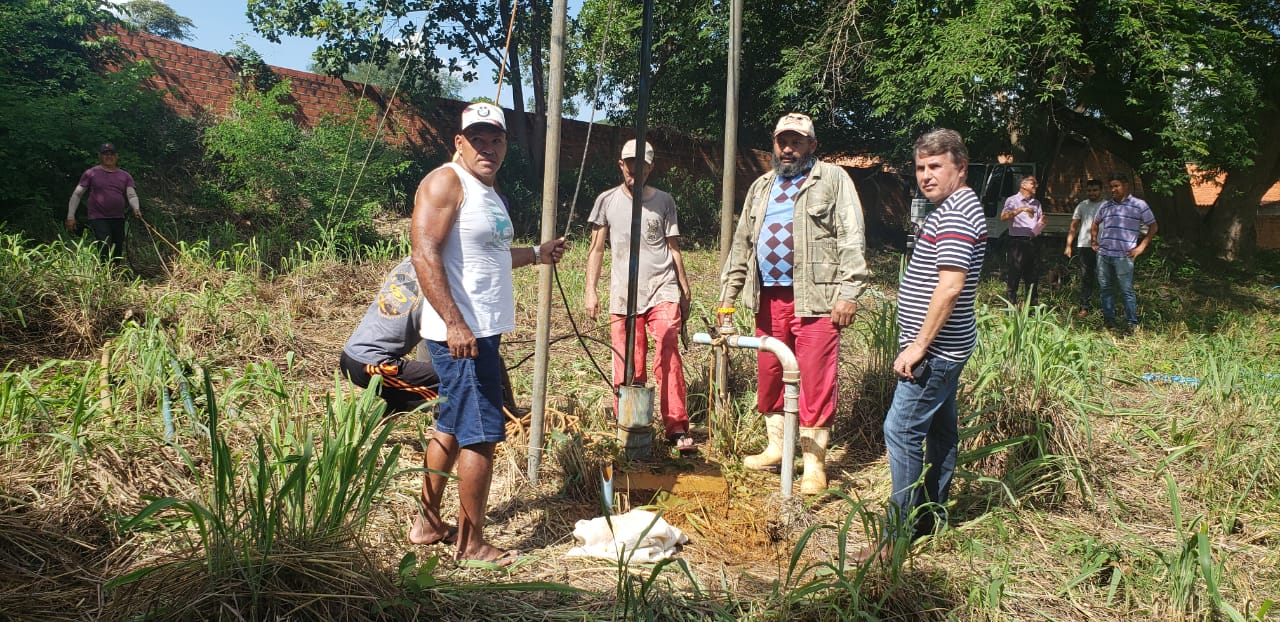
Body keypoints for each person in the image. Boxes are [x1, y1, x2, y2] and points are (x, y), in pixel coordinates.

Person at [408, 102, 568, 565]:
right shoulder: (446, 182)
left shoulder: (488, 193)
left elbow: (491, 255)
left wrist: (537, 253)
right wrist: (456, 323)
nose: (487, 147)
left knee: (452, 425)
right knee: (480, 433)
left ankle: (426, 522)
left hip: (481, 331)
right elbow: (424, 254)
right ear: (459, 142)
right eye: (477, 138)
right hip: (460, 332)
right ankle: (471, 543)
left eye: (495, 139)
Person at [717, 112, 870, 495]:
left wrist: (849, 293)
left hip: (818, 300)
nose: (787, 148)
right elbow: (742, 246)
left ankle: (814, 465)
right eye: (782, 141)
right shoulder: (761, 187)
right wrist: (727, 301)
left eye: (796, 142)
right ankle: (777, 448)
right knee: (770, 373)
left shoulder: (832, 180)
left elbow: (852, 235)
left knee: (815, 380)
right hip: (768, 298)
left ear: (811, 146)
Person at [862, 128, 987, 561]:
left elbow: (950, 287)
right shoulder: (953, 206)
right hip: (950, 346)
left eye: (936, 166)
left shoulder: (955, 214)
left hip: (935, 351)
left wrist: (918, 346)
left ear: (960, 167)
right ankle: (930, 517)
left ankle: (895, 538)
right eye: (920, 167)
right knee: (939, 430)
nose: (926, 175)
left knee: (901, 429)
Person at [584, 139, 694, 452]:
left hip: (662, 287)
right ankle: (631, 423)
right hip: (623, 295)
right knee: (628, 361)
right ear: (621, 164)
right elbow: (595, 250)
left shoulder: (664, 201)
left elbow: (674, 249)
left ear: (650, 167)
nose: (634, 169)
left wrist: (684, 289)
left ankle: (676, 425)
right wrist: (590, 290)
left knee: (668, 345)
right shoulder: (606, 201)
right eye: (629, 163)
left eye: (641, 164)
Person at [339, 256, 520, 416]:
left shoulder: (408, 265)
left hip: (354, 357)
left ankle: (398, 406)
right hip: (373, 364)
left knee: (442, 379)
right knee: (460, 378)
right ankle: (506, 418)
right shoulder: (435, 281)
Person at [1090, 173, 1158, 333]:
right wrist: (1094, 241)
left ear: (1126, 185)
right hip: (1104, 254)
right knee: (1105, 288)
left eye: (1116, 186)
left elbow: (1153, 226)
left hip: (1124, 256)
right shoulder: (1106, 206)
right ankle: (1109, 322)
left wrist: (1141, 247)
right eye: (1111, 187)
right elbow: (1095, 223)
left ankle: (1132, 324)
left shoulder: (1139, 205)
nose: (1112, 190)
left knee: (1126, 290)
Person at [66, 143, 141, 263]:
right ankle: (105, 273)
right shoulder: (91, 173)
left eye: (112, 154)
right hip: (98, 217)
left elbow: (131, 195)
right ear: (100, 156)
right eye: (105, 154)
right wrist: (70, 216)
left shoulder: (125, 176)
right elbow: (77, 194)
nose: (109, 156)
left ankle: (114, 273)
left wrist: (136, 208)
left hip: (118, 217)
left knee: (117, 246)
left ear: (117, 156)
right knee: (104, 244)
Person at [1000, 175, 1045, 306]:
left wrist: (1042, 223)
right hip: (1017, 243)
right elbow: (1003, 217)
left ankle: (1032, 309)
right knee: (1014, 275)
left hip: (1033, 241)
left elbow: (1038, 222)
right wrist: (1022, 209)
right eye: (1033, 184)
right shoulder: (1012, 200)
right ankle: (1011, 306)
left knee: (1033, 276)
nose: (1036, 186)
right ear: (1024, 186)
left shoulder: (1037, 203)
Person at [1064, 179, 1105, 318]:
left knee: (1104, 277)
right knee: (1086, 278)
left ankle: (1106, 308)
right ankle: (1084, 307)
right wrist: (1068, 245)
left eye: (1095, 190)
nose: (1092, 193)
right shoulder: (1082, 206)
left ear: (1101, 190)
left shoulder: (1107, 206)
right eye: (1089, 190)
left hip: (1103, 247)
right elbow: (1073, 226)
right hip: (1084, 246)